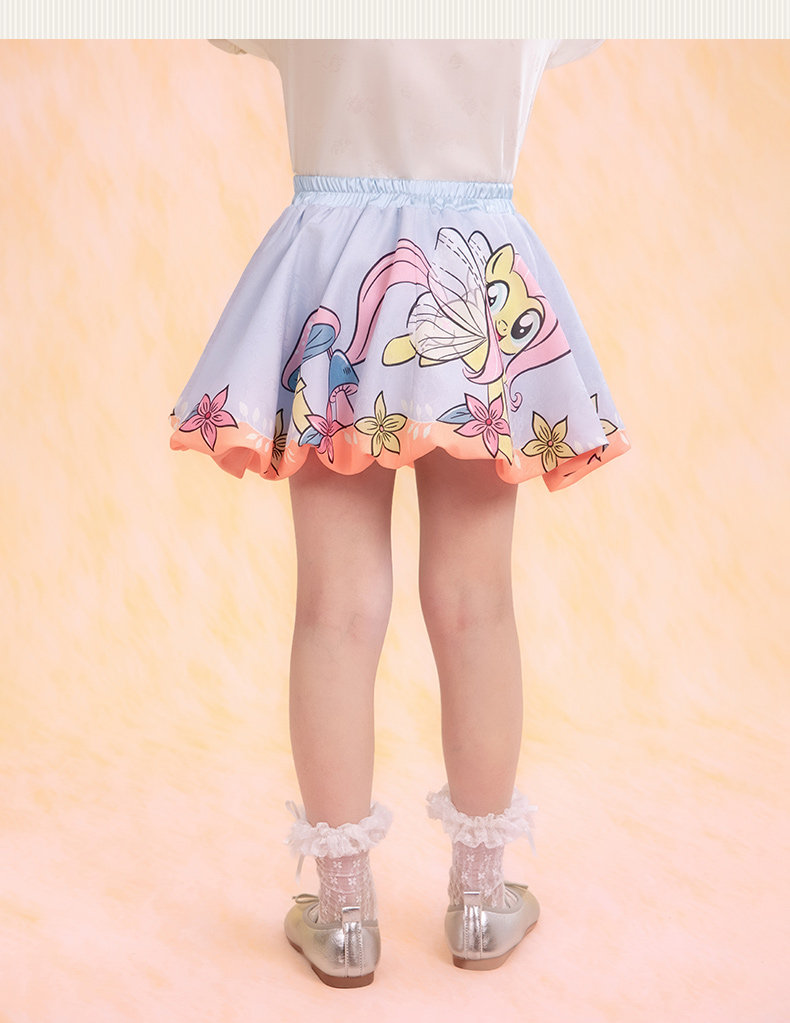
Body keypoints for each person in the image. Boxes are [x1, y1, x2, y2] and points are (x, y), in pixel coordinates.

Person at [169, 38, 630, 987]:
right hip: (475, 281)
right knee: (475, 603)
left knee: (336, 610)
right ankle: (481, 900)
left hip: (334, 281)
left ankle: (344, 916)